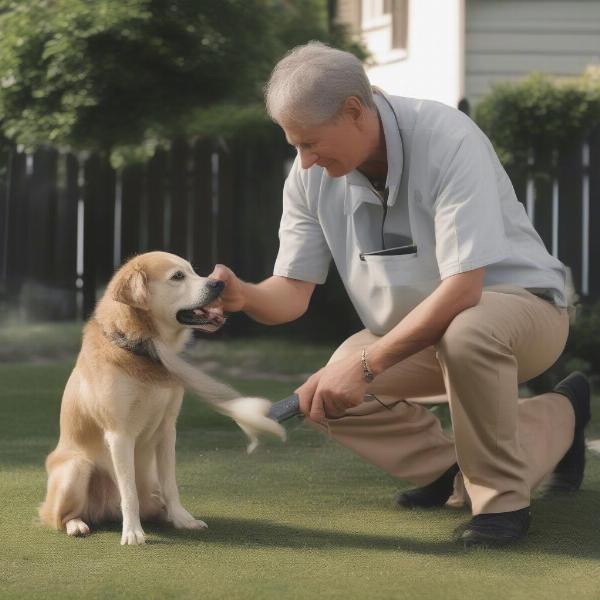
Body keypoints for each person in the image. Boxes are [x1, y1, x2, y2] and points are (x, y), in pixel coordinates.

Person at [209, 42, 591, 548]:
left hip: (522, 309)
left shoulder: (448, 137)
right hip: (420, 331)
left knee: (462, 333)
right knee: (330, 391)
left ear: (353, 110)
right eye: (294, 146)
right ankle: (467, 460)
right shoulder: (309, 176)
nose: (304, 161)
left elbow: (462, 291)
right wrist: (246, 296)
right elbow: (292, 293)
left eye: (311, 143)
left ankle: (501, 505)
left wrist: (365, 366)